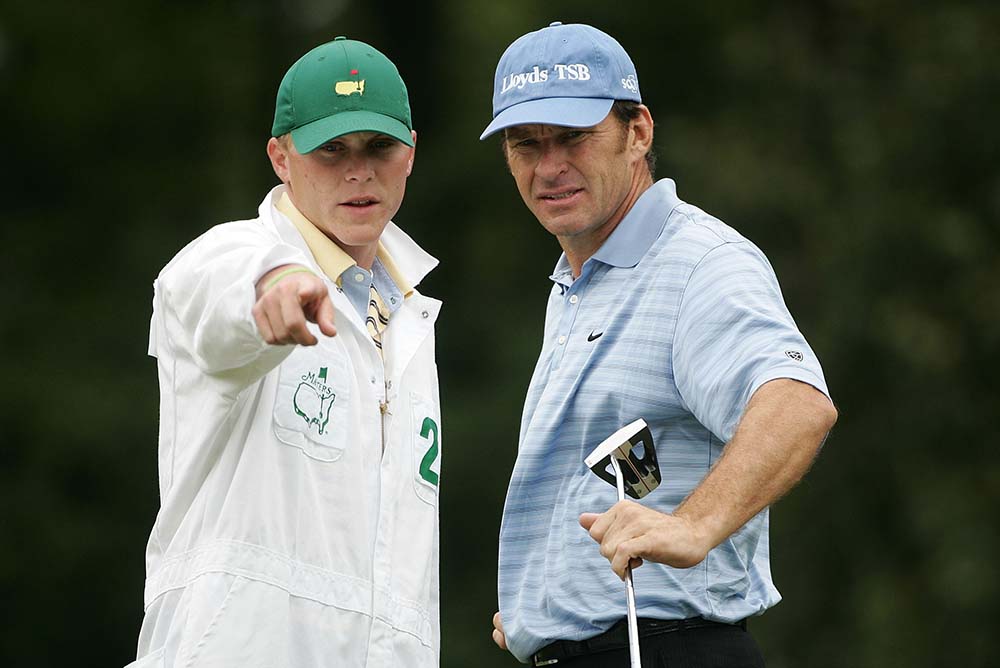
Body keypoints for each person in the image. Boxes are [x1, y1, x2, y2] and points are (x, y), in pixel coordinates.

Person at [480, 22, 838, 667]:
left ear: (637, 132)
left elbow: (796, 404)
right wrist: (544, 604)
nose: (549, 166)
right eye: (525, 143)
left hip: (668, 649)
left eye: (574, 138)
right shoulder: (576, 281)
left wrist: (693, 525)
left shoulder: (699, 261)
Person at [128, 37, 443, 668]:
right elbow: (214, 293)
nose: (359, 171)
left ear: (410, 151)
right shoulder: (232, 254)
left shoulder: (410, 314)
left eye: (379, 147)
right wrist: (272, 284)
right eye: (331, 149)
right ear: (280, 157)